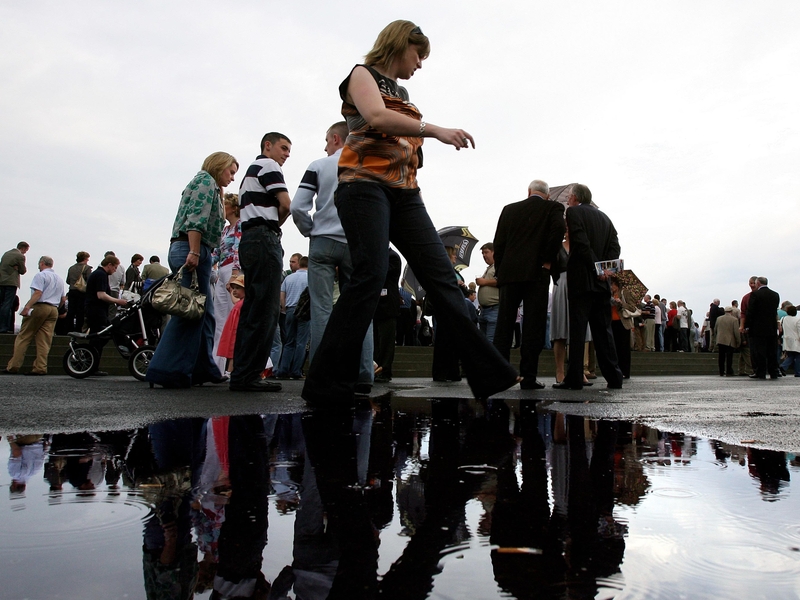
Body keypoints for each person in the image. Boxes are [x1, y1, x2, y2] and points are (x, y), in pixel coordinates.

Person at [302, 20, 518, 404]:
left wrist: (416, 146)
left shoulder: (402, 92)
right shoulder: (361, 74)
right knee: (368, 277)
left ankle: (489, 374)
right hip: (363, 186)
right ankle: (324, 383)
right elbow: (378, 117)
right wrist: (434, 130)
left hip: (405, 192)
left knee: (442, 276)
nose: (420, 64)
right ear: (401, 44)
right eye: (418, 54)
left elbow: (404, 139)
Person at [289, 121, 374, 386]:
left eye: (327, 141)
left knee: (322, 308)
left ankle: (321, 373)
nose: (325, 147)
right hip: (355, 241)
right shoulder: (367, 166)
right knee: (361, 307)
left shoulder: (318, 165)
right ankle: (363, 374)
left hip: (323, 240)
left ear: (336, 138)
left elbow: (298, 207)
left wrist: (309, 230)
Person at [146, 151, 238, 388]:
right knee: (188, 311)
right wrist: (195, 251)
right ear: (220, 166)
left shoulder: (210, 186)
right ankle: (166, 369)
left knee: (205, 314)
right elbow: (195, 220)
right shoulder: (205, 181)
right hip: (192, 248)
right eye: (231, 171)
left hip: (196, 248)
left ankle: (202, 367)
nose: (232, 177)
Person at [230, 133, 292, 392]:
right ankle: (249, 375)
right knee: (265, 311)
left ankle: (243, 373)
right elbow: (286, 205)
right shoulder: (269, 166)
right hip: (264, 238)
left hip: (250, 238)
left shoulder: (250, 172)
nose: (286, 154)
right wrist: (274, 228)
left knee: (253, 309)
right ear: (268, 146)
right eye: (284, 148)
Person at [492, 179, 565, 389]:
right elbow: (559, 229)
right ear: (548, 195)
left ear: (529, 191)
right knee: (533, 326)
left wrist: (501, 271)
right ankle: (528, 377)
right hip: (537, 273)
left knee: (504, 326)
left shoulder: (509, 210)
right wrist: (547, 260)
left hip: (510, 274)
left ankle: (500, 375)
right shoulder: (553, 208)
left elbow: (499, 242)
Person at [554, 184, 624, 390]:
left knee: (577, 331)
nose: (568, 202)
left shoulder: (574, 213)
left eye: (569, 198)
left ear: (575, 198)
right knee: (604, 332)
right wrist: (606, 269)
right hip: (602, 285)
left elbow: (581, 243)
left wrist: (596, 269)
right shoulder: (605, 218)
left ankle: (574, 377)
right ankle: (614, 376)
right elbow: (615, 246)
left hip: (582, 283)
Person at [2, 256, 65, 375]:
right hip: (54, 309)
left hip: (40, 306)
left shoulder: (40, 276)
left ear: (41, 263)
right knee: (44, 340)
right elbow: (63, 298)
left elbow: (38, 293)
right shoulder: (59, 279)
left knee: (24, 336)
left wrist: (27, 306)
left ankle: (14, 366)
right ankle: (40, 367)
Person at [211, 192, 242, 374]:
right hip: (222, 271)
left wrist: (235, 273)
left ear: (233, 207)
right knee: (219, 318)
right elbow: (216, 252)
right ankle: (218, 363)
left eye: (225, 204)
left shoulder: (239, 226)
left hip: (232, 270)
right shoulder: (225, 229)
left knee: (233, 316)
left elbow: (238, 248)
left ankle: (233, 364)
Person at [85, 254, 129, 374]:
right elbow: (101, 295)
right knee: (100, 336)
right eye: (114, 268)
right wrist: (117, 301)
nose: (115, 271)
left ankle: (91, 365)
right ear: (109, 265)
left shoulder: (98, 274)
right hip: (96, 310)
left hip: (95, 310)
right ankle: (91, 365)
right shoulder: (101, 275)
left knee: (99, 337)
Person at [275, 256, 309, 379]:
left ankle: (283, 370)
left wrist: (284, 308)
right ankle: (296, 371)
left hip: (289, 309)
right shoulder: (310, 278)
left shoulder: (288, 278)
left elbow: (282, 295)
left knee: (289, 342)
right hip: (305, 311)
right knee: (301, 342)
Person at [747, 276, 781, 380]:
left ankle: (760, 372)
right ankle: (773, 372)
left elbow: (751, 312)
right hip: (771, 327)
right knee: (772, 351)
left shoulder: (755, 295)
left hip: (758, 328)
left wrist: (748, 326)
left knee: (760, 351)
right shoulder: (775, 295)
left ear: (758, 284)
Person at [216, 274, 245, 375]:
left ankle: (230, 371)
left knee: (234, 351)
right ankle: (230, 371)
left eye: (238, 288)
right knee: (232, 351)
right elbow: (234, 301)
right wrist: (230, 291)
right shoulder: (240, 302)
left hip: (237, 330)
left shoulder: (244, 303)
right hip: (234, 330)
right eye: (234, 288)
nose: (235, 290)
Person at [609, 276, 637, 379]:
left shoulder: (625, 293)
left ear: (616, 284)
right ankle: (617, 370)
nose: (610, 286)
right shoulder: (609, 294)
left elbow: (632, 307)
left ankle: (625, 371)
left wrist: (621, 303)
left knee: (623, 348)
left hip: (623, 323)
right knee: (614, 347)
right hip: (612, 322)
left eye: (612, 284)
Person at [0, 241, 29, 333]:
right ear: (23, 248)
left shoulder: (6, 254)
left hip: (2, 281)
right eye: (26, 250)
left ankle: (2, 325)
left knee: (2, 303)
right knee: (7, 304)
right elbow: (23, 270)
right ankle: (5, 327)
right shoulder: (20, 256)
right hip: (11, 282)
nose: (25, 252)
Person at [475, 242, 500, 342]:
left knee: (490, 340)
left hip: (494, 308)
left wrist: (484, 281)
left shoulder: (498, 266)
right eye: (482, 254)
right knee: (484, 341)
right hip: (484, 310)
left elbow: (502, 281)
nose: (484, 255)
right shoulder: (489, 268)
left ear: (494, 252)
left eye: (486, 252)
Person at [65, 251, 92, 333]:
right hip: (82, 292)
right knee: (80, 311)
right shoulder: (87, 268)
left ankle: (68, 329)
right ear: (85, 259)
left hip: (72, 291)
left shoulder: (71, 268)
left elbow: (68, 280)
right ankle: (78, 329)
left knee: (71, 311)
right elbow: (89, 280)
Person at [714, 306, 741, 376]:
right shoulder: (734, 320)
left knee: (721, 357)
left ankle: (721, 371)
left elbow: (715, 330)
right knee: (729, 357)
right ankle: (729, 371)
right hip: (730, 341)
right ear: (731, 312)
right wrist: (738, 341)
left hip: (720, 340)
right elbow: (736, 332)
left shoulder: (718, 319)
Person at [104, 251, 125, 319]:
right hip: (115, 291)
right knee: (112, 312)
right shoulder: (121, 267)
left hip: (104, 290)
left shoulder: (102, 267)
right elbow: (123, 281)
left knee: (103, 311)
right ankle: (110, 327)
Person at [779, 305, 799, 376]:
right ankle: (797, 372)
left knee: (791, 356)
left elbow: (780, 328)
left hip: (786, 340)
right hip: (796, 340)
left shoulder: (783, 319)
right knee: (798, 357)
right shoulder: (797, 320)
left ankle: (783, 366)